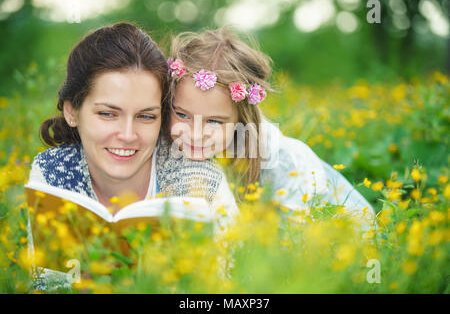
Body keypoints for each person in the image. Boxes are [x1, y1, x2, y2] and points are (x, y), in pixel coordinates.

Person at [28, 22, 238, 291]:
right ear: (72, 112)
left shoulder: (202, 181)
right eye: (107, 113)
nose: (127, 135)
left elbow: (230, 285)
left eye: (146, 116)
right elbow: (49, 284)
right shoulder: (52, 172)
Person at [164, 27, 376, 229]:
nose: (195, 134)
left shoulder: (282, 162)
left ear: (241, 120)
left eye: (214, 121)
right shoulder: (167, 145)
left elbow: (293, 241)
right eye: (182, 114)